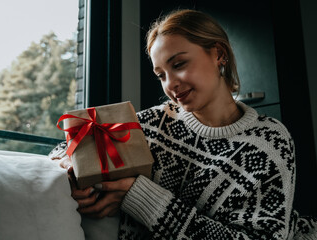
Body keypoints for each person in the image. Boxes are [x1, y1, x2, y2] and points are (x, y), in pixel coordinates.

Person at [50, 9, 317, 239]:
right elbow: (63, 148)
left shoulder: (270, 142)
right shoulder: (154, 122)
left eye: (179, 64)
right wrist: (70, 167)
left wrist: (137, 194)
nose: (170, 84)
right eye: (161, 75)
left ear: (218, 54)